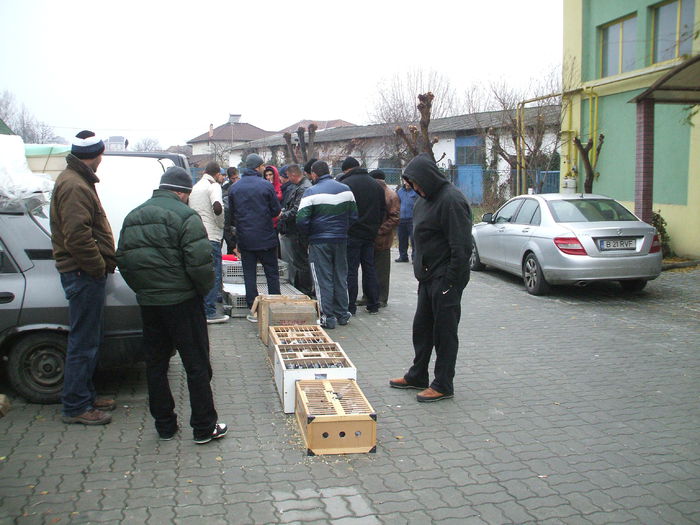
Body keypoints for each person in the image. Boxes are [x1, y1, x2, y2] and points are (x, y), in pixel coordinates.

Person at [116, 167, 227, 444]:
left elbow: (124, 260)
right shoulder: (186, 217)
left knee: (156, 364)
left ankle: (165, 426)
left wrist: (144, 290)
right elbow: (200, 264)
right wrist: (200, 293)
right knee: (197, 365)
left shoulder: (133, 216)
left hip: (150, 303)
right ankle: (204, 427)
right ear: (181, 193)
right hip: (183, 302)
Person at [390, 153, 472, 403]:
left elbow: (461, 246)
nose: (413, 188)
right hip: (426, 278)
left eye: (415, 183)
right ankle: (417, 375)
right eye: (410, 183)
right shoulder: (423, 200)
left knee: (444, 333)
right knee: (422, 329)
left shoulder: (451, 200)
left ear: (427, 178)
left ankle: (443, 383)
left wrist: (450, 282)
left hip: (445, 279)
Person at [50, 130, 116, 426]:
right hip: (82, 273)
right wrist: (97, 266)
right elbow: (77, 236)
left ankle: (85, 395)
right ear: (97, 154)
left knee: (89, 338)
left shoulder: (76, 179)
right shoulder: (75, 185)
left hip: (82, 272)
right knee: (83, 341)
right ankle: (76, 405)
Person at [297, 160, 357, 329]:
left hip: (319, 241)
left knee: (323, 279)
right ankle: (343, 314)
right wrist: (342, 230)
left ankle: (327, 317)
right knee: (340, 277)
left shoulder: (310, 192)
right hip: (340, 239)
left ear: (314, 174)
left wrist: (310, 234)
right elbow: (353, 216)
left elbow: (301, 220)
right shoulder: (346, 190)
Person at [229, 153, 281, 321]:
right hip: (266, 237)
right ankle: (275, 304)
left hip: (245, 238)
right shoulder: (266, 186)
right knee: (271, 273)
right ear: (258, 167)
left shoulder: (235, 188)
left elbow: (231, 216)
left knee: (249, 274)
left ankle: (254, 309)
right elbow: (275, 210)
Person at [336, 157, 385, 315]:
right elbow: (382, 210)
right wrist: (375, 227)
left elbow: (343, 210)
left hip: (352, 233)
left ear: (346, 170)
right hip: (370, 234)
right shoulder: (375, 184)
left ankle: (350, 306)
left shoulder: (346, 184)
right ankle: (373, 303)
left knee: (351, 270)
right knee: (369, 268)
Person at [189, 161, 228, 324]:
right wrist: (220, 225)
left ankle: (199, 310)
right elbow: (217, 207)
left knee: (200, 274)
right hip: (211, 235)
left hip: (196, 235)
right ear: (217, 174)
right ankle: (210, 311)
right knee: (213, 274)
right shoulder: (214, 186)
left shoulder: (195, 187)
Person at [278, 164, 313, 296]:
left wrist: (282, 215)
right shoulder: (300, 186)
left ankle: (305, 290)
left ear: (293, 175)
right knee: (299, 261)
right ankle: (302, 288)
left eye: (288, 176)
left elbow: (297, 210)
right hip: (296, 230)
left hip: (298, 231)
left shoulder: (303, 188)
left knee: (301, 262)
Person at [368, 169, 399, 307]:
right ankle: (369, 296)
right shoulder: (376, 193)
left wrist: (380, 231)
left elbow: (395, 218)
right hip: (371, 238)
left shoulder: (390, 195)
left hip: (383, 240)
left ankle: (382, 298)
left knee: (382, 271)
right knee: (370, 270)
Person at [396, 179, 419, 262]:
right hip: (401, 219)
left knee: (413, 239)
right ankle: (403, 256)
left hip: (412, 219)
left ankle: (415, 257)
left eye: (409, 181)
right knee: (402, 239)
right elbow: (397, 203)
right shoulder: (400, 191)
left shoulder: (416, 192)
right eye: (405, 181)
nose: (407, 183)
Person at [222, 167, 239, 255]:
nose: (235, 180)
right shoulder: (225, 190)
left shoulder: (241, 186)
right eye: (233, 178)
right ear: (229, 178)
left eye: (237, 178)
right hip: (231, 224)